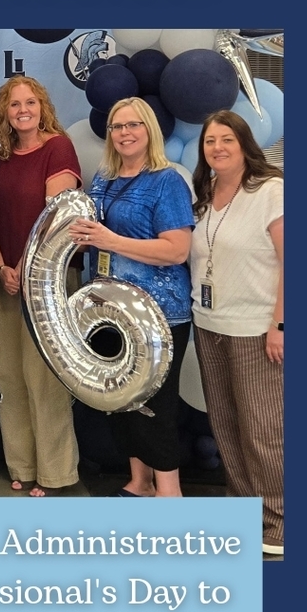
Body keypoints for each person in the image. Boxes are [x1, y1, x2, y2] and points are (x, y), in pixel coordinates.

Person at [71, 96, 195, 498]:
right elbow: (93, 241)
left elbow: (177, 249)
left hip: (159, 315)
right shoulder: (103, 180)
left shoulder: (168, 180)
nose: (124, 133)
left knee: (156, 407)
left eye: (133, 125)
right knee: (122, 401)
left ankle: (169, 493)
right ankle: (139, 482)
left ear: (149, 131)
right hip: (110, 313)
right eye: (117, 127)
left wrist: (111, 240)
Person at [190, 110, 284, 554]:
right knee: (226, 426)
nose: (218, 148)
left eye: (226, 139)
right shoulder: (205, 194)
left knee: (262, 430)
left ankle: (280, 520)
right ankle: (245, 511)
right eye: (210, 141)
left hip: (256, 329)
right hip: (210, 326)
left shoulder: (270, 192)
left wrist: (280, 324)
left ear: (245, 144)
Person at [0, 75, 83, 496]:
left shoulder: (58, 148)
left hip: (47, 280)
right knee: (10, 375)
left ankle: (56, 473)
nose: (22, 109)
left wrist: (24, 269)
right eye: (14, 104)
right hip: (7, 280)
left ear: (42, 106)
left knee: (44, 376)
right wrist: (3, 269)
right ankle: (22, 465)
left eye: (30, 102)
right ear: (4, 113)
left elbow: (54, 220)